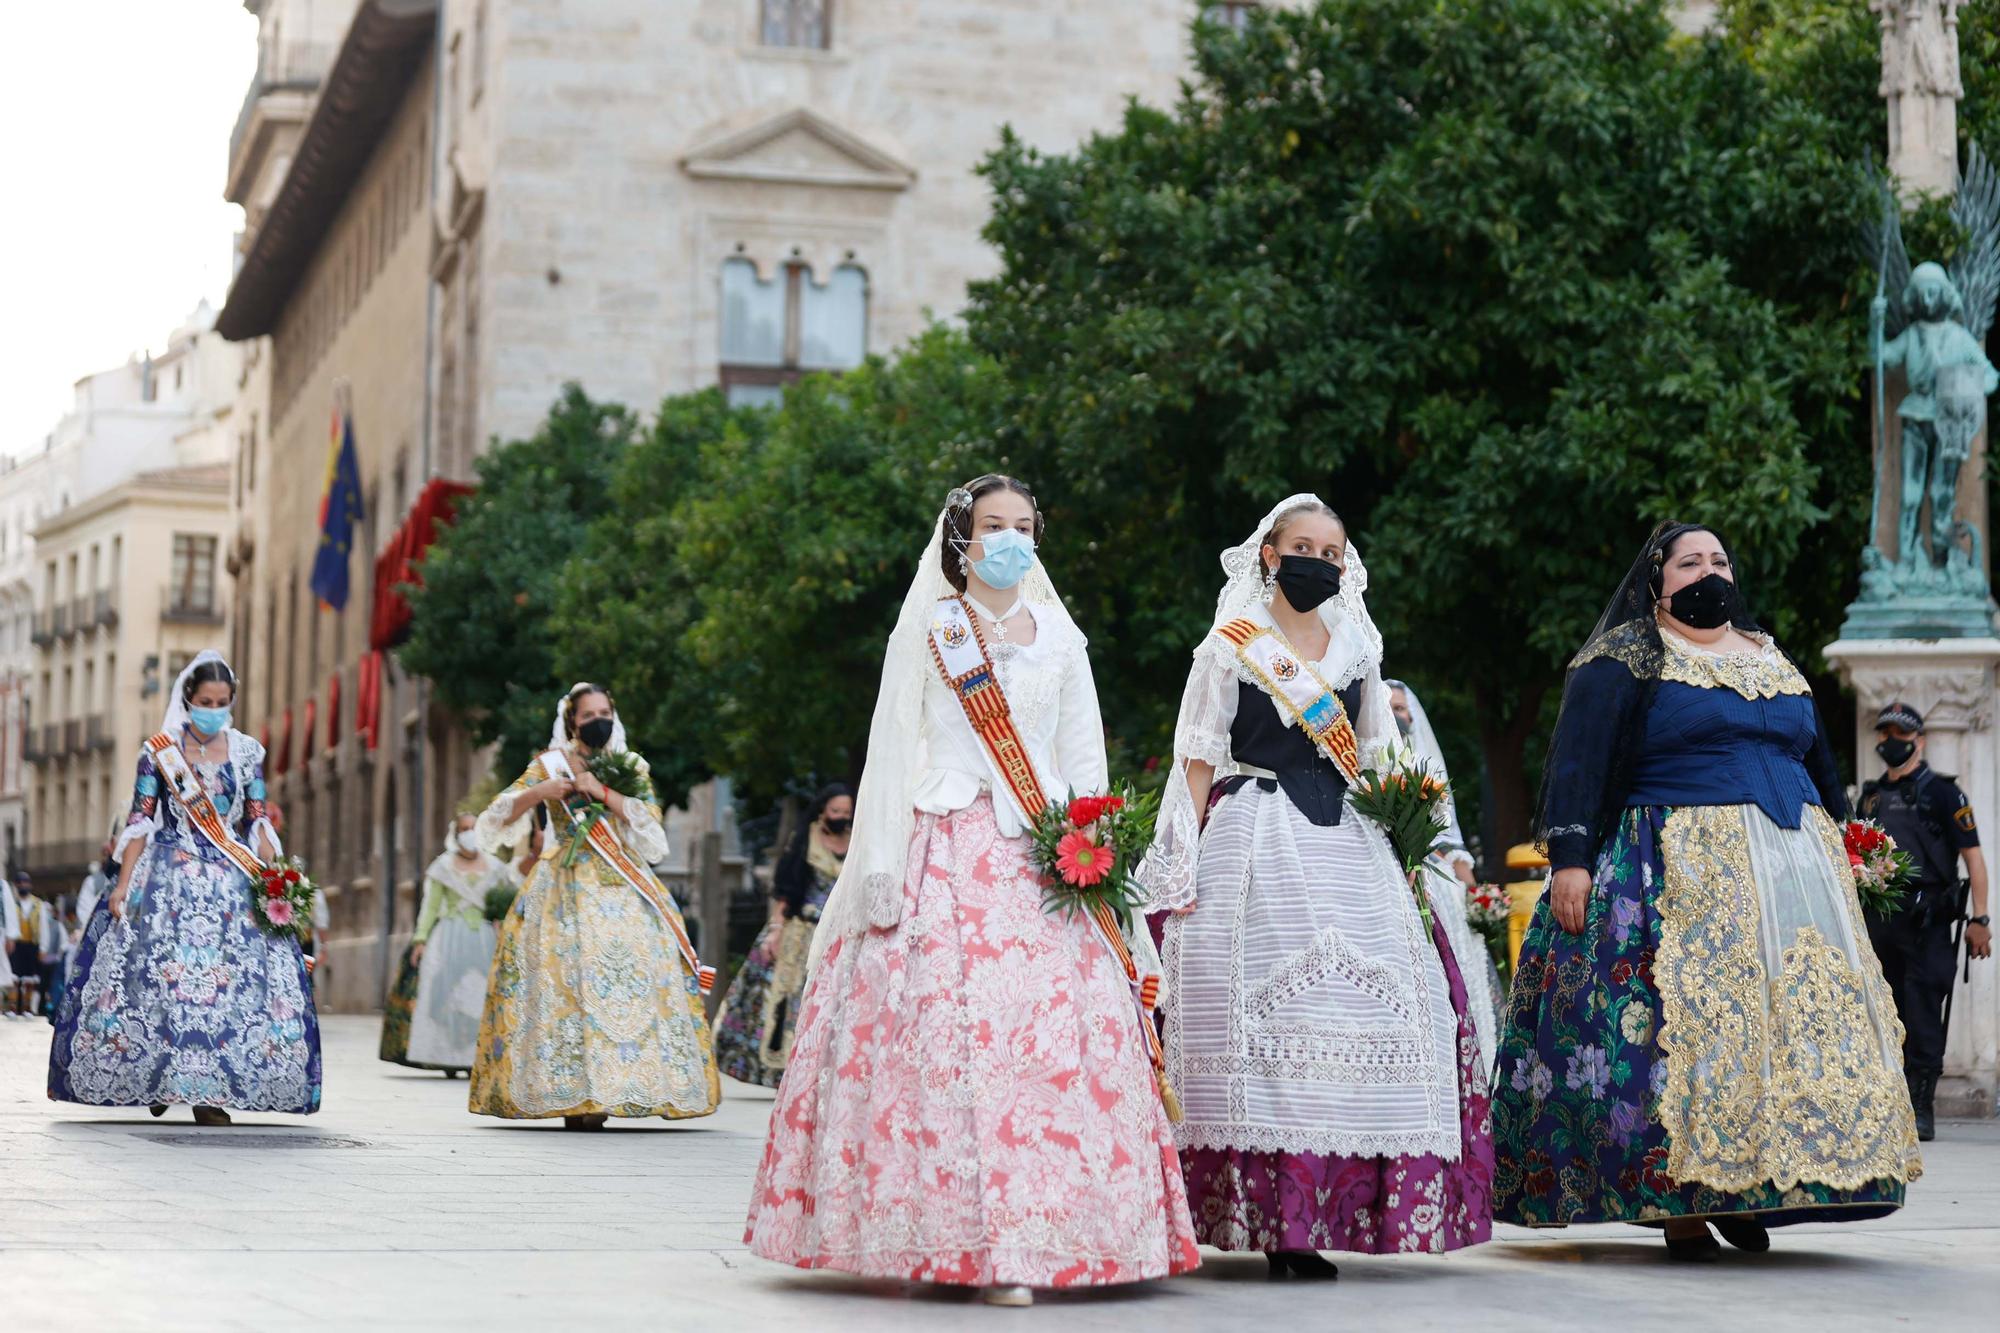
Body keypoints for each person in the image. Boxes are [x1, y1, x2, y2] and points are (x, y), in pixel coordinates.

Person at [745, 476, 1199, 1307]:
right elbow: (889, 751)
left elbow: (1084, 757)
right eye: (993, 525)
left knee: (1051, 1049)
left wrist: (1094, 845)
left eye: (1023, 525)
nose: (1009, 538)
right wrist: (879, 864)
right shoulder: (929, 626)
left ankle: (1060, 1232)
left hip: (1042, 855)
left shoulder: (1061, 635)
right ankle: (943, 1233)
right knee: (942, 1043)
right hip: (942, 846)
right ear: (961, 537)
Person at [1493, 522, 1921, 1260]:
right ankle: (1680, 1205)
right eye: (1689, 562)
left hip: (1791, 873)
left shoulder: (1769, 655)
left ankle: (1749, 1187)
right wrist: (1570, 855)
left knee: (1779, 1035)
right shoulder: (1625, 657)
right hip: (1671, 869)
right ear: (1656, 580)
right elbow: (1581, 762)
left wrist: (1849, 846)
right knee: (1686, 1034)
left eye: (1718, 559)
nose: (1707, 571)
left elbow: (1818, 761)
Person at [1139, 495, 1493, 1274]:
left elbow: (1379, 755)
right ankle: (1281, 1221)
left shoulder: (1357, 646)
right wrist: (1178, 869)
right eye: (1304, 547)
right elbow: (1197, 760)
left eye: (1332, 552)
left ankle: (1342, 1204)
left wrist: (1410, 845)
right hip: (1253, 834)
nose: (1319, 562)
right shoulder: (1230, 645)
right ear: (1270, 553)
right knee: (1261, 1015)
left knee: (1384, 1007)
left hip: (1350, 842)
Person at [49, 650, 321, 1124]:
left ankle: (208, 1094)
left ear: (232, 700)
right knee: (162, 983)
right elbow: (141, 820)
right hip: (168, 877)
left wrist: (275, 879)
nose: (213, 708)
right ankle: (162, 1074)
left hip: (232, 882)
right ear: (188, 699)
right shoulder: (159, 751)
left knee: (225, 988)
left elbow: (256, 821)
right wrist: (123, 885)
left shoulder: (247, 752)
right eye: (205, 700)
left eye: (222, 701)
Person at [470, 683, 720, 1128]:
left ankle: (621, 1086)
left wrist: (603, 792)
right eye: (588, 715)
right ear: (572, 721)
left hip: (622, 886)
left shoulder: (630, 765)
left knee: (624, 981)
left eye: (605, 711)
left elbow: (651, 826)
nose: (598, 721)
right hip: (560, 890)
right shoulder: (549, 764)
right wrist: (541, 792)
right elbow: (495, 817)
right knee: (566, 984)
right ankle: (571, 1091)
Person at [1858, 701, 1994, 1140]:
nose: (1892, 742)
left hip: (1930, 922)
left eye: (1901, 734)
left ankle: (1921, 1106)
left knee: (1921, 1014)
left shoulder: (1943, 793)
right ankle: (1891, 1103)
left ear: (1920, 740)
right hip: (1881, 922)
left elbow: (1974, 860)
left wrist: (1980, 919)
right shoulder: (1872, 795)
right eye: (1886, 734)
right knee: (1884, 1011)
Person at [1387, 678, 1504, 1074]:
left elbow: (1449, 836)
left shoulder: (1426, 771)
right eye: (1388, 708)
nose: (1396, 716)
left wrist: (1475, 891)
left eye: (1401, 708)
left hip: (1435, 874)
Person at [713, 783, 852, 1088]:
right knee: (784, 999)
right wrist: (775, 930)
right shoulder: (806, 841)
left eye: (846, 812)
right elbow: (786, 891)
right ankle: (782, 1069)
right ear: (822, 810)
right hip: (799, 932)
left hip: (838, 933)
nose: (841, 817)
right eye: (835, 811)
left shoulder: (856, 841)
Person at [380, 812, 512, 1076]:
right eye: (464, 828)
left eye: (473, 828)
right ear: (456, 834)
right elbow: (429, 907)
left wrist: (502, 923)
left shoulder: (496, 867)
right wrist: (420, 940)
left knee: (479, 994)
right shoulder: (443, 867)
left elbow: (506, 901)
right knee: (448, 993)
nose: (469, 833)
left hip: (485, 938)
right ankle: (448, 1056)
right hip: (450, 936)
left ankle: (474, 1057)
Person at [7, 871, 41, 1016]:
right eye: (20, 883)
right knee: (13, 977)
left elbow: (43, 926)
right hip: (15, 943)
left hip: (32, 944)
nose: (23, 885)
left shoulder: (38, 904)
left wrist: (43, 947)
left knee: (29, 978)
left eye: (25, 882)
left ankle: (27, 1007)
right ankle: (12, 1007)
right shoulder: (11, 903)